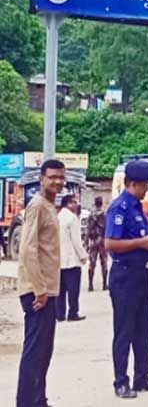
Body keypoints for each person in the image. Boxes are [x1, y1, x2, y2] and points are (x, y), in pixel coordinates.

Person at [105, 160, 148, 399]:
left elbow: (142, 237)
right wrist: (142, 243)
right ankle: (121, 381)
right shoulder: (119, 208)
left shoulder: (138, 208)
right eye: (144, 185)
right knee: (125, 330)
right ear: (133, 184)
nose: (147, 189)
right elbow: (110, 243)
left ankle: (142, 376)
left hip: (142, 274)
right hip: (125, 276)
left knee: (144, 328)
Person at [15, 159, 64, 407]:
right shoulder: (36, 206)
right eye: (52, 176)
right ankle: (26, 403)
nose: (57, 181)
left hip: (47, 290)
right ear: (42, 178)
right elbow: (27, 249)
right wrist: (40, 289)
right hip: (37, 292)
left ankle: (38, 401)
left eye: (60, 177)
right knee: (35, 351)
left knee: (44, 352)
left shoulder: (49, 206)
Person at [56, 193, 87, 322]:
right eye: (74, 202)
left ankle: (60, 314)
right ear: (68, 204)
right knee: (73, 289)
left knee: (60, 290)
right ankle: (73, 312)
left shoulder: (57, 217)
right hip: (71, 260)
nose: (76, 205)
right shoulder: (72, 219)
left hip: (59, 260)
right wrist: (83, 256)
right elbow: (76, 241)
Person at [86, 195, 109, 292]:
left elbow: (88, 229)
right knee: (104, 263)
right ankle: (104, 284)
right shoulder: (104, 215)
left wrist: (86, 242)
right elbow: (107, 228)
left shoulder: (91, 215)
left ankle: (90, 285)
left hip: (93, 241)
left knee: (92, 263)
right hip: (102, 241)